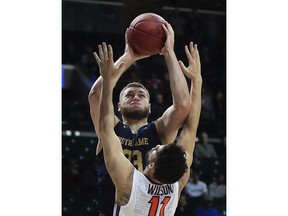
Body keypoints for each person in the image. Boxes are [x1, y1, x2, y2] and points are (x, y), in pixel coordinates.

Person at [88, 22, 191, 215]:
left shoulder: (160, 131)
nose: (135, 96)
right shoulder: (109, 128)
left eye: (141, 95)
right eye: (128, 95)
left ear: (150, 107)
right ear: (118, 106)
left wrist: (169, 53)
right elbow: (96, 95)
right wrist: (129, 56)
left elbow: (183, 105)